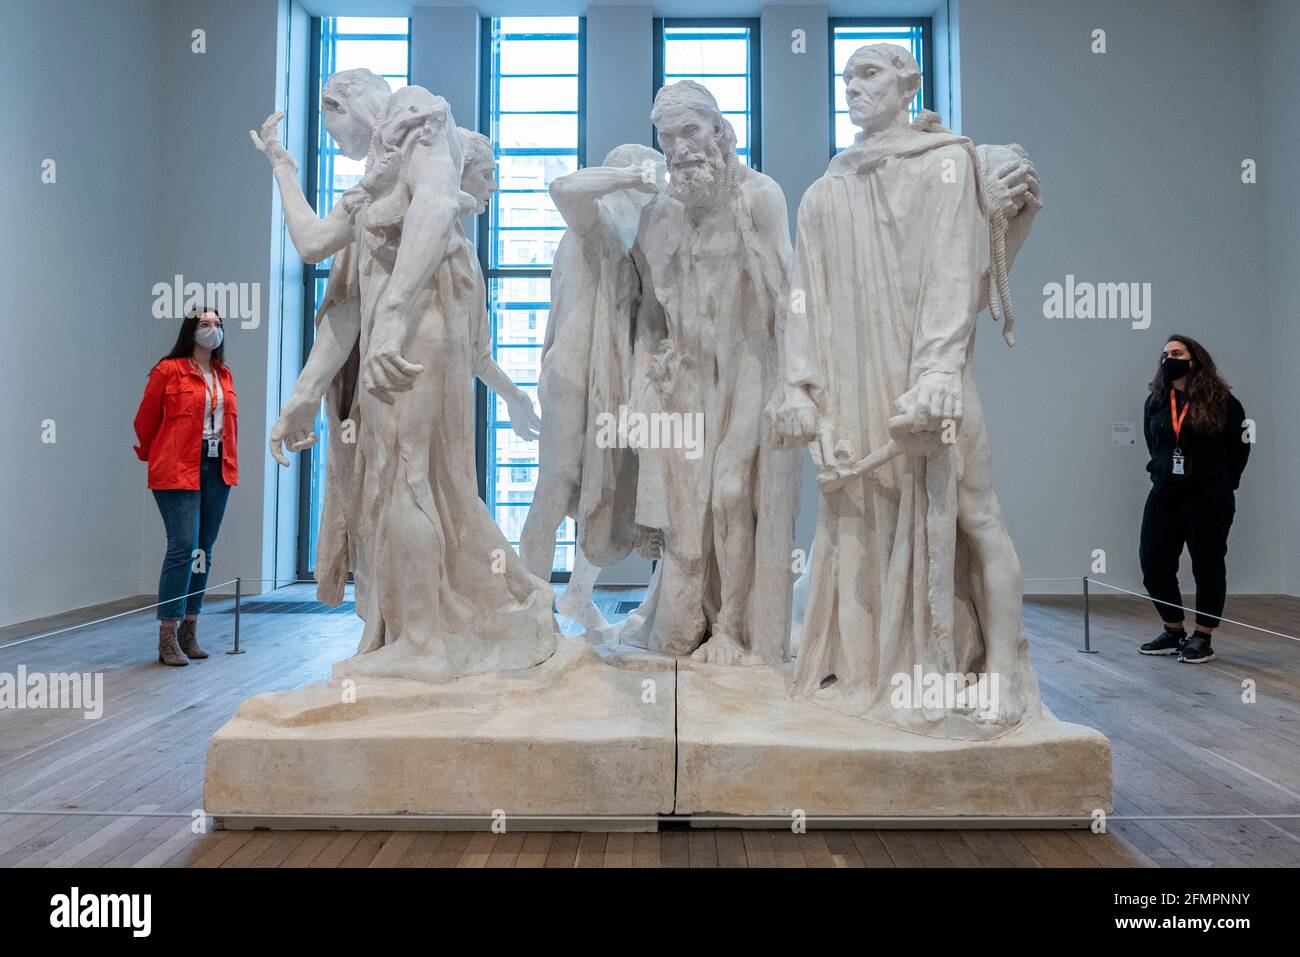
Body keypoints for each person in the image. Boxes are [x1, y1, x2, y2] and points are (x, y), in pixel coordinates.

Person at [133, 307, 237, 666]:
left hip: (217, 468)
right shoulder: (168, 371)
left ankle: (189, 631)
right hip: (177, 468)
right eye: (205, 324)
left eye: (218, 324)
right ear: (191, 330)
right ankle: (167, 634)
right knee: (182, 547)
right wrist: (153, 454)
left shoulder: (224, 374)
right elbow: (145, 420)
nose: (213, 330)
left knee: (203, 551)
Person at [1139, 335, 1249, 663]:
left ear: (1194, 358)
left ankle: (1203, 636)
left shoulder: (1223, 401)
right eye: (1164, 354)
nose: (1168, 358)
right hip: (1164, 493)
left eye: (1176, 353)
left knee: (1207, 565)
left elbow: (1240, 447)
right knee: (1153, 563)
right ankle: (1174, 631)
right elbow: (1153, 443)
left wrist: (1223, 483)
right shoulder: (1156, 401)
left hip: (1208, 495)